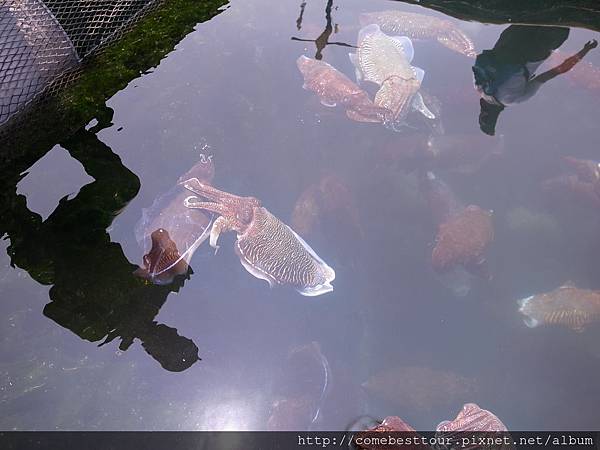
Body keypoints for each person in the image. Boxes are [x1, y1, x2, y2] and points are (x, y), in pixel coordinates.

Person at [472, 25, 597, 135]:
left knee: (562, 26)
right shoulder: (479, 84)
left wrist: (585, 50)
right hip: (509, 39)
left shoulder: (512, 100)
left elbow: (556, 71)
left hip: (535, 50)